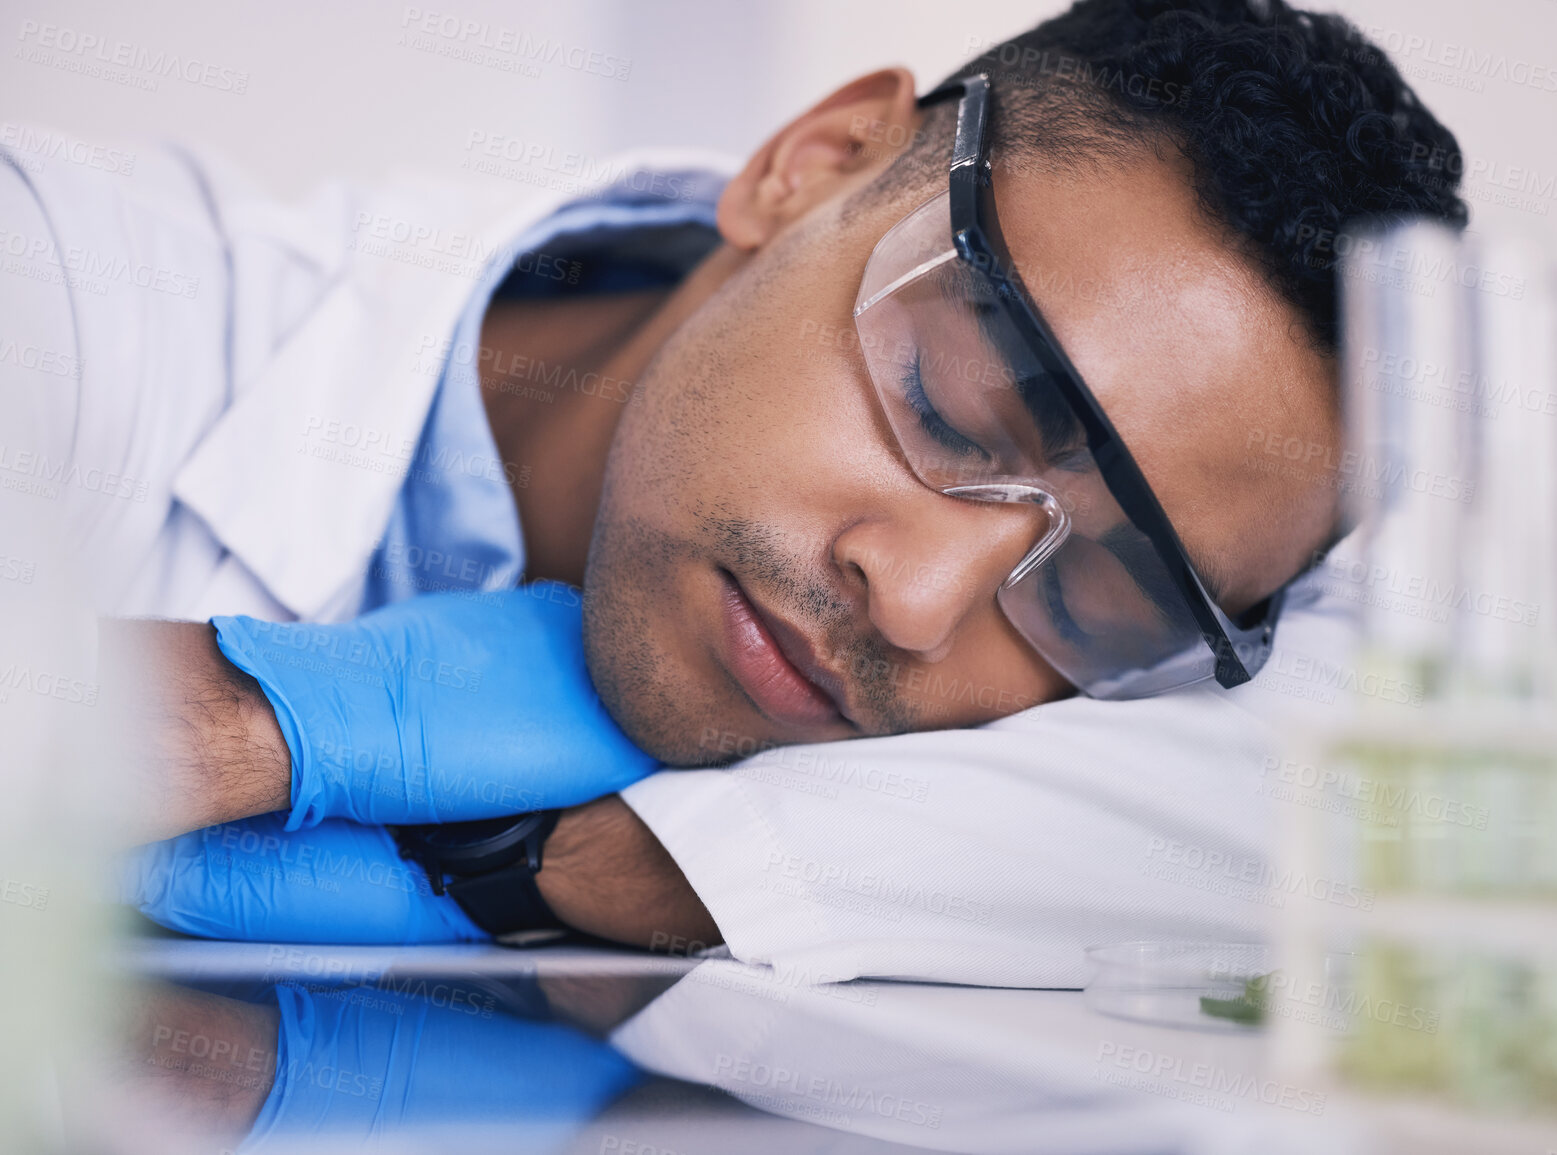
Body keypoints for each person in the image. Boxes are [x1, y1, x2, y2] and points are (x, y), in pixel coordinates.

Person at [2, 0, 1465, 980]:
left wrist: (618, 860)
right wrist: (264, 713)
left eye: (1092, 589)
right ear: (815, 165)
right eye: (956, 406)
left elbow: (1509, 792)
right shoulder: (74, 292)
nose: (927, 602)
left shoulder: (1139, 683)